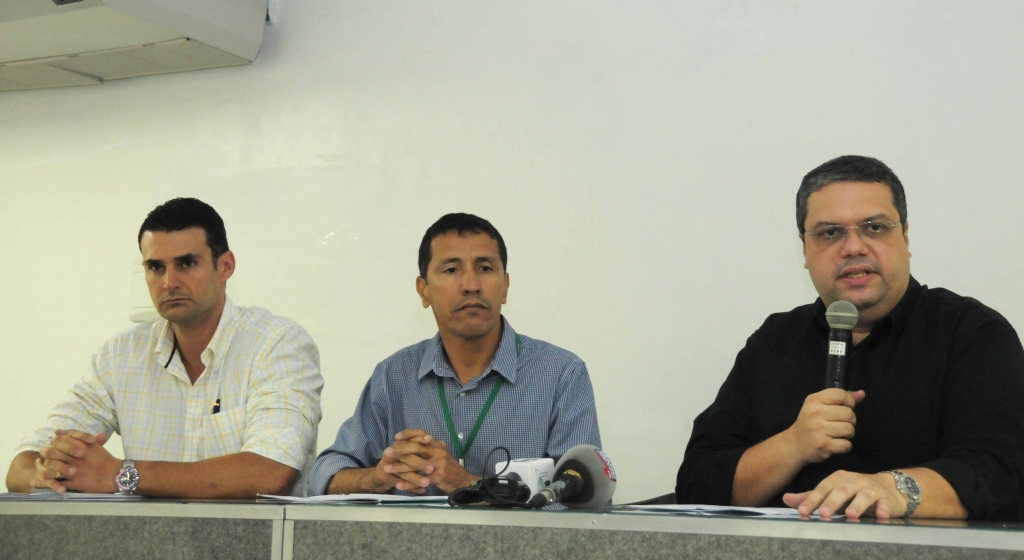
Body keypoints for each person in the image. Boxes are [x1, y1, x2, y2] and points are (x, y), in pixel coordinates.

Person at [676, 155, 1024, 521]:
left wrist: (892, 489)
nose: (854, 247)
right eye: (830, 233)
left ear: (905, 236)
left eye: (874, 227)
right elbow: (696, 485)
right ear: (805, 249)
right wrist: (792, 445)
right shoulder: (773, 342)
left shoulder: (972, 333)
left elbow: (1003, 475)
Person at [6, 198, 323, 498]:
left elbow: (271, 472)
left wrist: (121, 474)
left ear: (225, 266)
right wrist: (48, 473)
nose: (169, 282)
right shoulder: (119, 356)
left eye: (186, 263)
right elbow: (21, 467)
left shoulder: (277, 343)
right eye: (156, 267)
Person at [308, 213, 600, 497]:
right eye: (451, 270)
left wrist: (467, 484)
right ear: (423, 291)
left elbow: (585, 502)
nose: (471, 285)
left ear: (505, 286)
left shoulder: (561, 375)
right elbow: (322, 476)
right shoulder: (393, 376)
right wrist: (376, 478)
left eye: (485, 268)